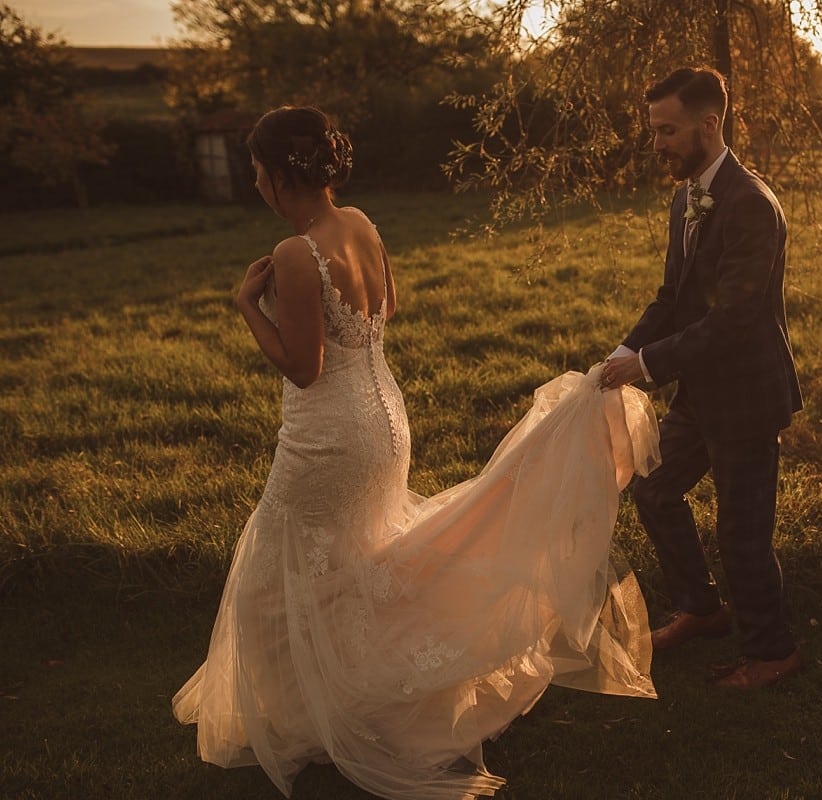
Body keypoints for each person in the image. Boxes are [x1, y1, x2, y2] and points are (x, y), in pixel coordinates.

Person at [173, 106, 660, 799]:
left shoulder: (293, 253)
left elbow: (304, 366)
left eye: (256, 172)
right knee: (357, 563)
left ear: (282, 174)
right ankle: (346, 701)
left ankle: (325, 713)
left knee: (280, 578)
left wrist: (248, 306)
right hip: (385, 422)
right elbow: (387, 306)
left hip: (329, 436)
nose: (253, 183)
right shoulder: (361, 223)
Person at [600, 67, 805, 689]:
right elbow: (674, 297)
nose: (657, 142)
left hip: (746, 395)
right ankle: (702, 609)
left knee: (741, 531)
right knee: (656, 492)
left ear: (709, 124)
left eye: (667, 130)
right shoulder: (686, 197)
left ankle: (772, 651)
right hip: (700, 391)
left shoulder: (750, 205)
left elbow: (737, 319)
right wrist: (624, 352)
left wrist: (652, 364)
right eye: (654, 130)